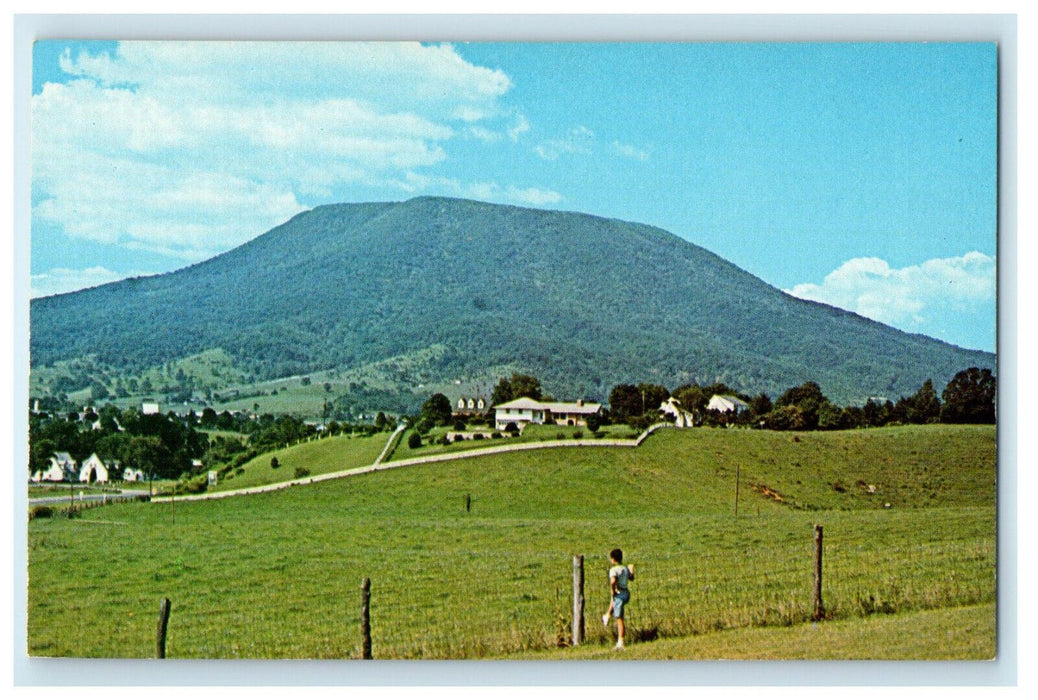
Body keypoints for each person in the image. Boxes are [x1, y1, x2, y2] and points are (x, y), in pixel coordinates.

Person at [601, 548, 634, 649]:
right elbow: (631, 578)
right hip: (626, 593)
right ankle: (607, 615)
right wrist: (631, 569)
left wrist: (612, 590)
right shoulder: (624, 569)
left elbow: (613, 581)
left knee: (619, 619)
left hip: (619, 593)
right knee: (614, 599)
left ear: (613, 559)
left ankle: (620, 642)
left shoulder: (613, 570)